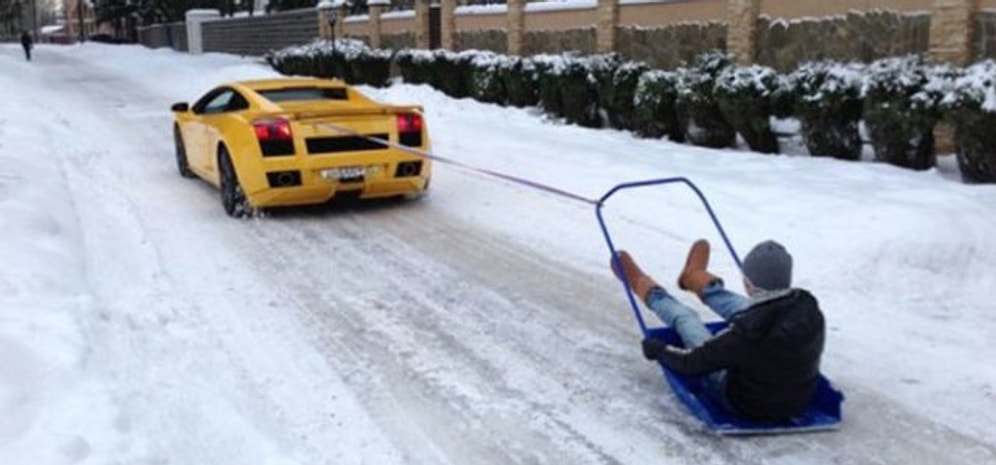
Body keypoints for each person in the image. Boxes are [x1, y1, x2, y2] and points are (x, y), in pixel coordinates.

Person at [611, 239, 825, 421]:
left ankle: (645, 287)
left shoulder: (745, 336)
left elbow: (691, 363)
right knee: (747, 307)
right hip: (797, 400)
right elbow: (762, 317)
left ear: (748, 284)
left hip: (744, 404)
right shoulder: (809, 310)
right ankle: (694, 277)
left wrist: (659, 350)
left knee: (688, 320)